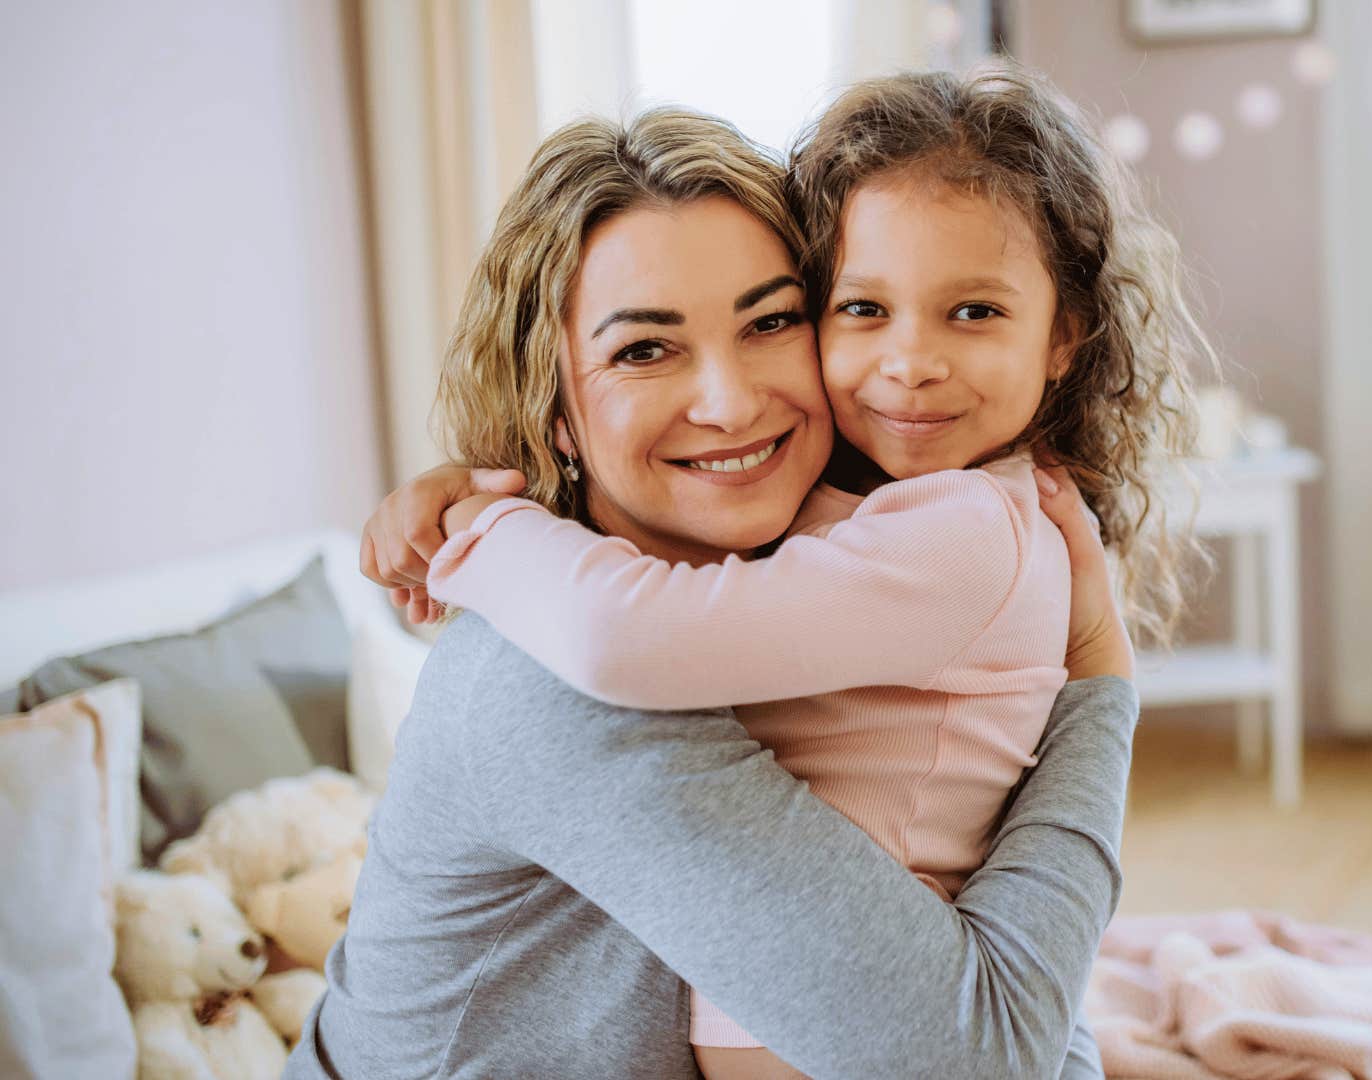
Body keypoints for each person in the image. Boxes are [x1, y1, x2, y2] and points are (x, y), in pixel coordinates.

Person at [402, 68, 1211, 1079]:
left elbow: (997, 1021)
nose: (734, 404)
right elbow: (983, 1049)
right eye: (647, 348)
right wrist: (478, 515)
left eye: (771, 321)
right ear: (552, 406)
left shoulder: (899, 528)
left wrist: (480, 521)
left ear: (1062, 339)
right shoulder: (563, 684)